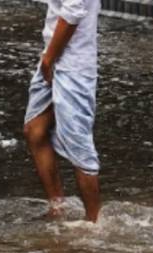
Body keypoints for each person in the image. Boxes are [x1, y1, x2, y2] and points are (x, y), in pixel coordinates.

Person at [22, 0, 101, 222]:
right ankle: (58, 207)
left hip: (73, 65)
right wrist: (49, 57)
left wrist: (49, 58)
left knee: (78, 145)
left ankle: (94, 223)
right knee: (34, 130)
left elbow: (74, 11)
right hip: (55, 57)